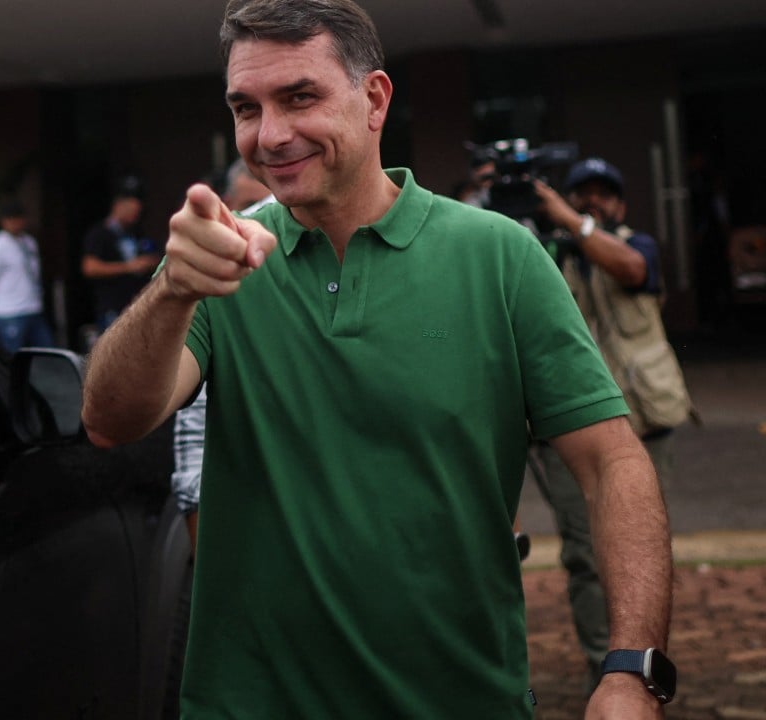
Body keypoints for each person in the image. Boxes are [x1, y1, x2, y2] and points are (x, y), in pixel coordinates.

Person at [81, 1, 674, 717]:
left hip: (460, 701)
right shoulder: (221, 256)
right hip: (249, 704)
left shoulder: (499, 256)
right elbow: (111, 420)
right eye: (246, 108)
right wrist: (171, 291)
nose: (270, 134)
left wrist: (632, 667)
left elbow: (611, 463)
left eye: (300, 97)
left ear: (374, 100)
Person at [530, 156, 693, 688]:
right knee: (583, 554)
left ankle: (642, 663)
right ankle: (601, 666)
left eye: (603, 193)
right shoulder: (542, 255)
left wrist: (572, 221)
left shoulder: (636, 245)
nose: (592, 201)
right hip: (570, 430)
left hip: (645, 420)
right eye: (582, 192)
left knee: (643, 548)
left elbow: (633, 270)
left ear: (620, 204)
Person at [171, 159, 274, 551]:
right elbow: (193, 437)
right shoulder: (209, 275)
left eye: (271, 207)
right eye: (249, 208)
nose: (259, 223)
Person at [81, 176, 162, 330]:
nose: (135, 216)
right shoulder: (100, 234)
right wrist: (129, 267)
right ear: (118, 205)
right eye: (131, 209)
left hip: (137, 307)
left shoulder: (136, 233)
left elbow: (154, 256)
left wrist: (149, 263)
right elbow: (90, 267)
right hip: (112, 309)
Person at [0, 199, 53, 352]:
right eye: (10, 219)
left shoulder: (29, 242)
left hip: (33, 307)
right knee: (12, 354)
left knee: (46, 351)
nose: (15, 223)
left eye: (18, 218)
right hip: (9, 311)